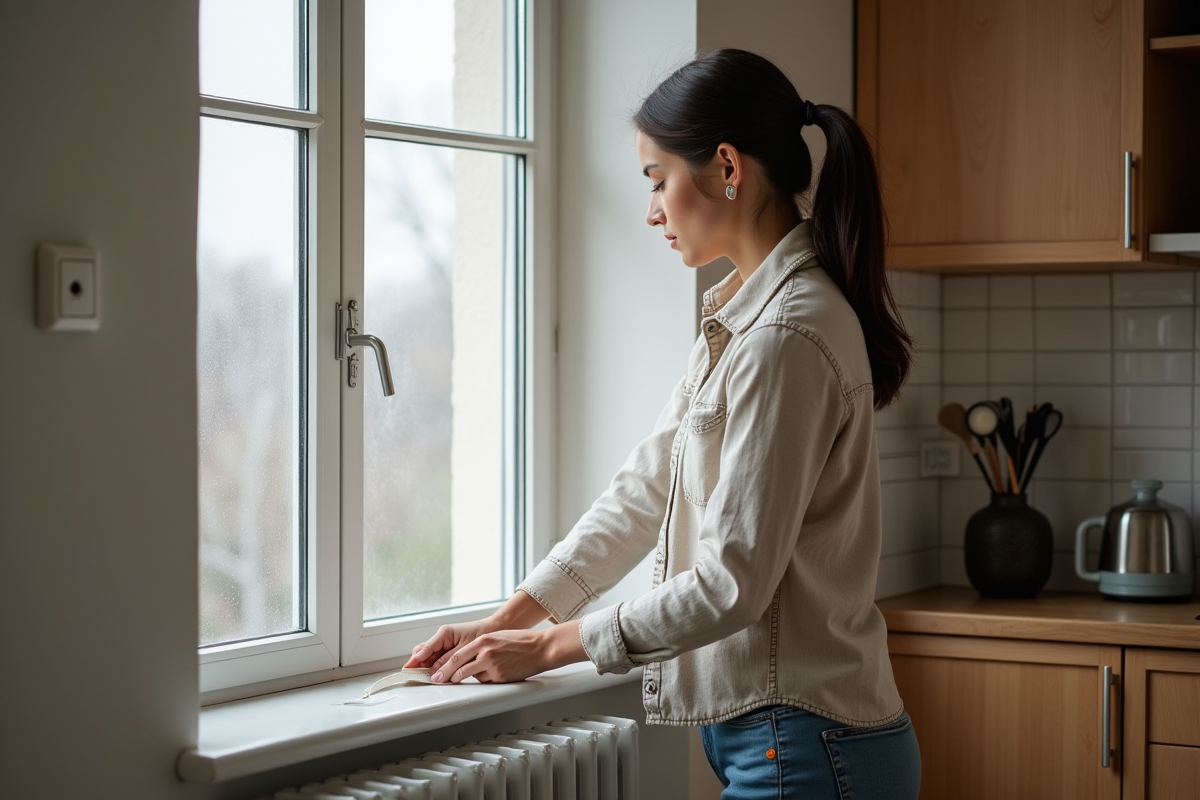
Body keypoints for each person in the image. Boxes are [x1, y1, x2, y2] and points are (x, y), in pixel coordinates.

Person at [404, 48, 921, 799]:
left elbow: (730, 585)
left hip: (808, 747)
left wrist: (551, 646)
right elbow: (644, 492)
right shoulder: (746, 321)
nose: (650, 211)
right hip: (789, 742)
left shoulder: (785, 338)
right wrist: (503, 624)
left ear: (726, 168)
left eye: (657, 181)